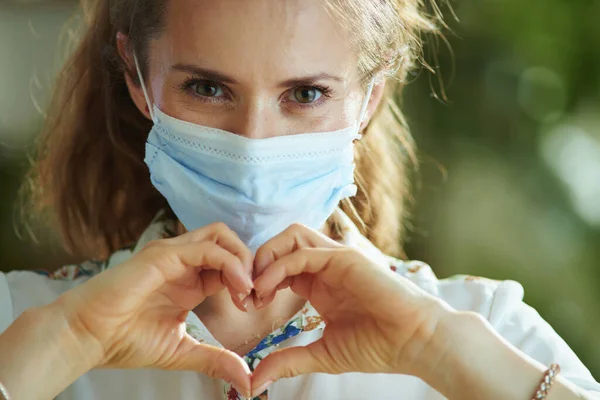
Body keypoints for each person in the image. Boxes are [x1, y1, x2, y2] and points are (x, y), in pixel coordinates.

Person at [0, 0, 598, 399]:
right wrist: (62, 345)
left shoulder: (493, 335)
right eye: (207, 88)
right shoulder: (17, 321)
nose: (254, 144)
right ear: (137, 79)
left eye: (306, 93)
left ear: (370, 96)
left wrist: (436, 351)